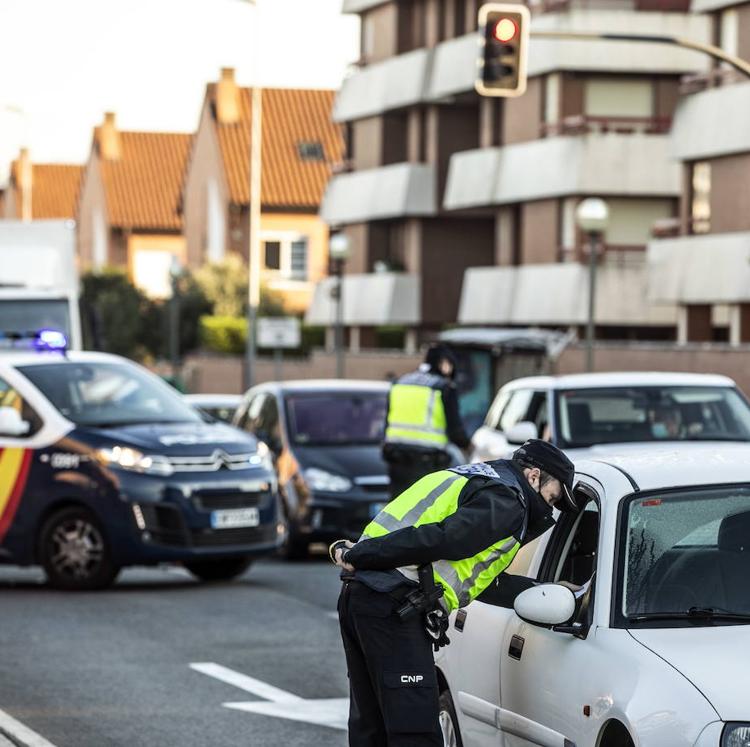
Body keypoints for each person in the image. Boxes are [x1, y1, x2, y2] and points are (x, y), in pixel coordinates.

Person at [332, 439, 579, 747]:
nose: (551, 506)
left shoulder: (478, 477)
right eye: (553, 495)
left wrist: (544, 590)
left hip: (365, 598)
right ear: (533, 476)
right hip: (392, 607)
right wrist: (361, 554)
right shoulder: (508, 501)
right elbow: (440, 539)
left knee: (371, 729)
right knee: (415, 732)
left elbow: (478, 577)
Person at [382, 344, 470, 498]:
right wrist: (467, 445)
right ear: (444, 364)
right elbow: (455, 429)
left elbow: (387, 421)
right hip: (427, 461)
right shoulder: (443, 387)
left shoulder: (401, 382)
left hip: (396, 456)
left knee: (398, 506)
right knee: (424, 508)